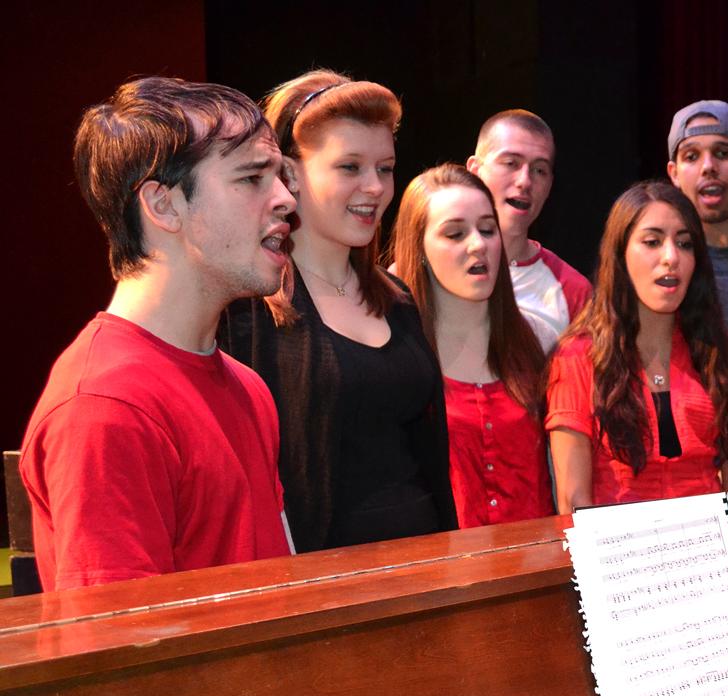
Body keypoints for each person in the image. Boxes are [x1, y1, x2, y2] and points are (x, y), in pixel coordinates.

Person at [21, 77, 294, 590]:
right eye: (253, 177)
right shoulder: (105, 406)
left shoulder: (247, 388)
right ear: (163, 205)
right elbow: (118, 652)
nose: (284, 199)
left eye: (279, 177)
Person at [221, 70, 458, 552]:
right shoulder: (246, 314)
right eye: (350, 167)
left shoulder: (397, 299)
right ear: (288, 175)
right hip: (323, 592)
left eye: (385, 168)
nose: (375, 187)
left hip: (428, 573)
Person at [546, 181, 728, 510]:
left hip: (711, 553)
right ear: (620, 253)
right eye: (652, 241)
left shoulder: (720, 356)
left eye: (685, 244)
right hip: (618, 555)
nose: (671, 257)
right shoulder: (577, 357)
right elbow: (573, 503)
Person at [390, 164, 551, 525]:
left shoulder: (538, 341)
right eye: (455, 233)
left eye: (487, 229)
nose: (478, 244)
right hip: (445, 573)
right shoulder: (396, 355)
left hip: (538, 570)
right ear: (418, 248)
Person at [467, 108, 591, 352]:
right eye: (511, 163)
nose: (525, 181)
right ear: (474, 171)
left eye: (539, 170)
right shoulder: (422, 269)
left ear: (550, 186)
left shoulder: (574, 291)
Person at [666, 99, 728, 327]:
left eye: (722, 153)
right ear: (674, 173)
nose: (708, 166)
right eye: (692, 157)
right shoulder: (665, 261)